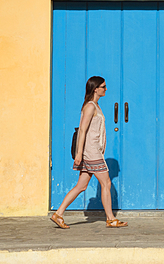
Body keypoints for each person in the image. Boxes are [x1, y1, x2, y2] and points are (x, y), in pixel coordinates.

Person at [50, 76, 128, 229]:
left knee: (81, 186)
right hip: (91, 152)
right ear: (95, 89)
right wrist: (79, 154)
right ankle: (111, 219)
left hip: (92, 151)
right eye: (103, 86)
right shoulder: (90, 106)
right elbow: (82, 130)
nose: (106, 89)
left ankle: (58, 214)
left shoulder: (95, 106)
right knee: (106, 183)